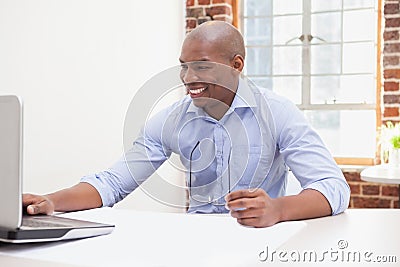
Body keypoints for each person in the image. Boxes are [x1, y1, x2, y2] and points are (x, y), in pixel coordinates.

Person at [23, 21, 350, 228]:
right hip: (195, 245)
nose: (188, 78)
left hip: (258, 241)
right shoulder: (172, 119)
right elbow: (111, 182)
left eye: (202, 67)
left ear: (236, 65)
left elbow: (333, 188)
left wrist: (277, 209)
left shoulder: (278, 112)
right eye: (183, 67)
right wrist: (52, 202)